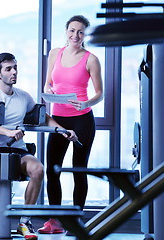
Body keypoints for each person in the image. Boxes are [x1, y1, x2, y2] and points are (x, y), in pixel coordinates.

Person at [0, 52, 78, 240]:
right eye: (8, 69)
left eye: (15, 67)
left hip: (18, 149)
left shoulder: (23, 96)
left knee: (38, 169)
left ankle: (25, 221)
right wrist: (8, 132)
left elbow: (44, 117)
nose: (14, 72)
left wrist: (63, 130)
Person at [37, 15, 103, 234]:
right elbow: (48, 83)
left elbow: (100, 93)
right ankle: (53, 221)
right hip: (58, 119)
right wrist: (49, 91)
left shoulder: (91, 59)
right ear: (66, 31)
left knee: (78, 170)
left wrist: (85, 102)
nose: (76, 35)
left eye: (81, 32)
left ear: (85, 35)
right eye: (72, 30)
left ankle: (76, 221)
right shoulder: (55, 54)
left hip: (82, 119)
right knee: (52, 169)